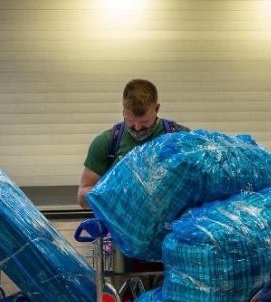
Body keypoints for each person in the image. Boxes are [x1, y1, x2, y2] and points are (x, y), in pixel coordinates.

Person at [77, 79, 190, 208]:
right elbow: (82, 197)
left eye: (144, 122)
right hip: (118, 224)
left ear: (157, 108)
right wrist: (113, 193)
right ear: (123, 110)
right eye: (130, 120)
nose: (136, 127)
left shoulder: (180, 138)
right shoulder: (107, 143)